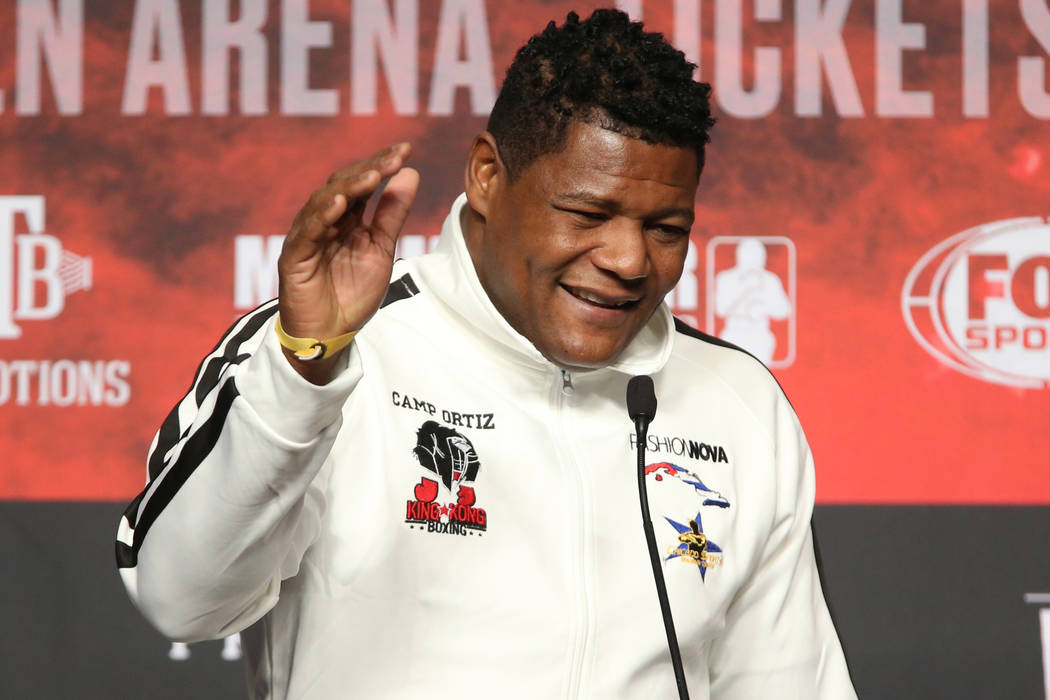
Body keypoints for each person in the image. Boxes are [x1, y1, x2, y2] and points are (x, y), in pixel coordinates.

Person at [115, 9, 857, 699]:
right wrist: (307, 370)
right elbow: (181, 600)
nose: (630, 259)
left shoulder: (736, 400)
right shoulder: (326, 353)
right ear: (488, 177)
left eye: (666, 227)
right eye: (588, 213)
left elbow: (787, 682)